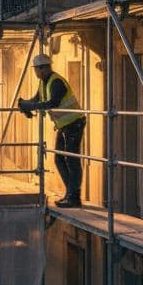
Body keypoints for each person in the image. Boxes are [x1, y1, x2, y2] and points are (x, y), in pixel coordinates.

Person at [18, 53, 86, 208]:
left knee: (71, 159)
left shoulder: (56, 82)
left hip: (74, 123)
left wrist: (32, 106)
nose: (36, 72)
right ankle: (70, 194)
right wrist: (24, 104)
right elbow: (37, 99)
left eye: (37, 69)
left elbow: (52, 102)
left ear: (43, 69)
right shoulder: (44, 82)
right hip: (64, 125)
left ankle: (74, 197)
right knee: (59, 159)